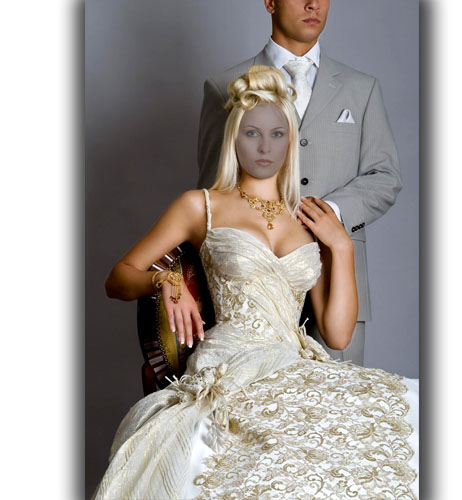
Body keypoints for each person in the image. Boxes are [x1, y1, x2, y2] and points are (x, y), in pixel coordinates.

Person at [94, 66, 418, 499]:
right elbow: (118, 278)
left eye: (277, 134)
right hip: (230, 361)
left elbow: (338, 334)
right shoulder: (201, 205)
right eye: (252, 133)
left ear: (291, 140)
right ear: (234, 137)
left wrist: (341, 247)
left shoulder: (309, 217)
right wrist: (165, 279)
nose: (266, 147)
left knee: (394, 429)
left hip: (294, 362)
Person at [197, 0, 402, 366]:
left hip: (336, 282)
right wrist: (176, 285)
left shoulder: (362, 89)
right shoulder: (225, 86)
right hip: (252, 289)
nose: (313, 5)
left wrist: (328, 214)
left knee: (340, 400)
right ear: (270, 3)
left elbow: (385, 177)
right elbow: (213, 191)